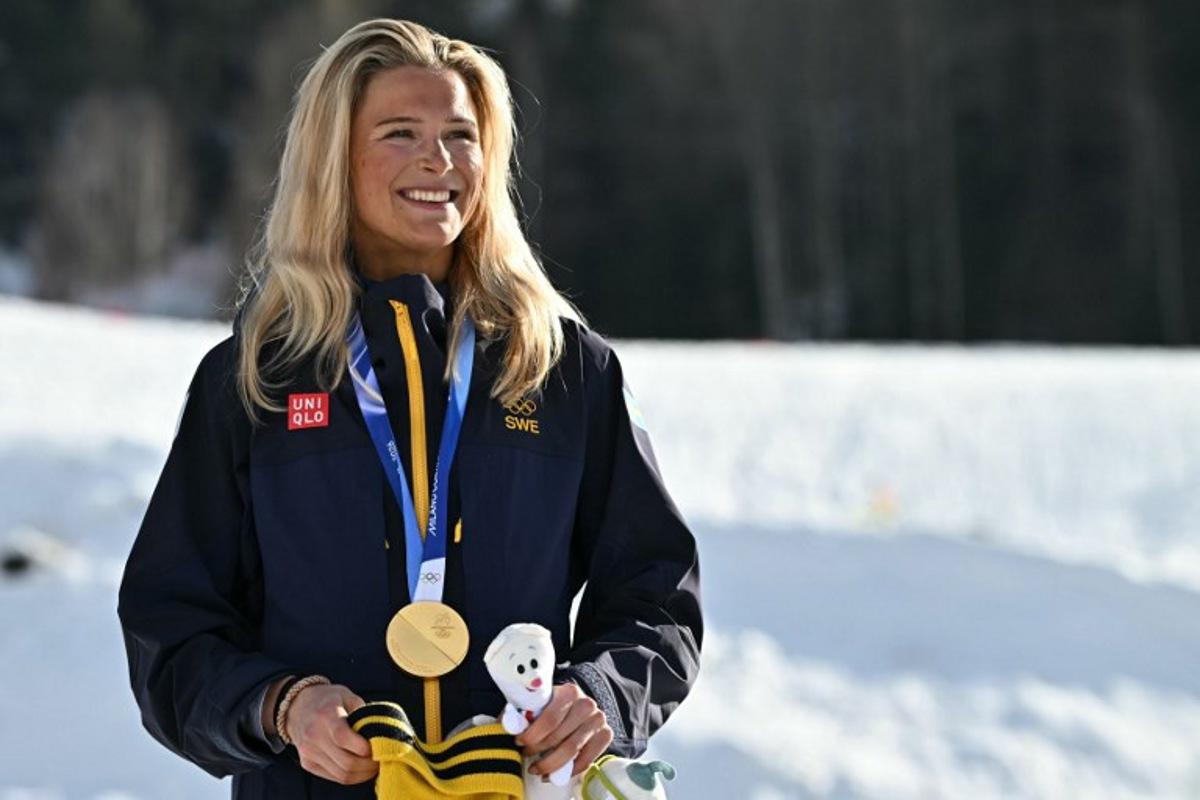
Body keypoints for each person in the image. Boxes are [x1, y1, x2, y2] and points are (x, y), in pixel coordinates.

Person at [117, 17, 702, 800]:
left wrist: (598, 695)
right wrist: (282, 707)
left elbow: (657, 594)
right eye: (401, 132)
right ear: (335, 162)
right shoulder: (253, 381)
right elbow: (172, 629)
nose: (440, 159)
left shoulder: (564, 370)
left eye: (461, 135)